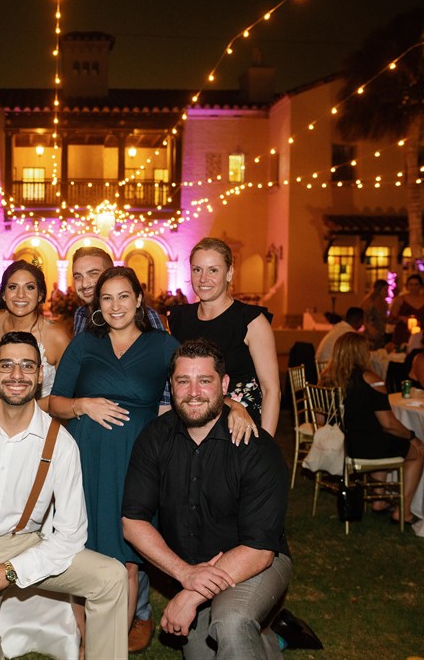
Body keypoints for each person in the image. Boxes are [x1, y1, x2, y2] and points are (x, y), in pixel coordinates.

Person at [0, 331, 129, 659]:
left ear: (41, 375)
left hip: (25, 544)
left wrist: (12, 569)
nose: (16, 375)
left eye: (27, 366)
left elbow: (71, 536)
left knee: (111, 576)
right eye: (7, 365)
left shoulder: (61, 443)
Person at [122, 338, 292, 659]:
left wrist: (189, 596)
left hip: (255, 562)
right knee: (205, 651)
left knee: (230, 621)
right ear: (170, 385)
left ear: (224, 384)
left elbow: (259, 552)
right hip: (190, 570)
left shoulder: (256, 448)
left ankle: (249, 621)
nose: (194, 392)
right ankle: (267, 636)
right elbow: (133, 522)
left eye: (205, 380)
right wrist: (186, 574)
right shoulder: (155, 438)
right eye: (183, 381)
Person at [50, 266, 178, 641]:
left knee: (127, 556)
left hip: (137, 460)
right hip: (85, 458)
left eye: (124, 296)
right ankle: (87, 641)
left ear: (139, 301)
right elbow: (56, 401)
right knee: (80, 551)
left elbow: (195, 383)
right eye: (107, 297)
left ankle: (112, 646)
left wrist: (233, 406)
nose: (115, 305)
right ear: (97, 304)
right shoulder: (85, 343)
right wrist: (82, 405)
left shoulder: (163, 345)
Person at [167, 237, 280, 435]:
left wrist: (266, 447)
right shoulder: (178, 319)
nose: (203, 279)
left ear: (229, 273)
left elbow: (271, 390)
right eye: (197, 269)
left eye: (213, 270)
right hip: (191, 426)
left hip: (239, 429)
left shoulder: (250, 321)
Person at [322, 332, 424, 525]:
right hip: (365, 446)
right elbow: (389, 424)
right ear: (362, 352)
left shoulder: (327, 378)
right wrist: (412, 437)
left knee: (384, 441)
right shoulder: (371, 379)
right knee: (417, 452)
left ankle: (379, 500)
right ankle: (403, 512)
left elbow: (321, 418)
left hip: (343, 445)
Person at [0, 260, 70, 413]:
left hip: (44, 420)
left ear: (40, 295)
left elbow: (67, 393)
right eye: (13, 287)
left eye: (29, 287)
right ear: (4, 294)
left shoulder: (56, 336)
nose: (20, 295)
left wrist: (23, 413)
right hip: (2, 416)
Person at [389, 274, 424, 346]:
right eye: (410, 284)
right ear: (407, 286)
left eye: (416, 284)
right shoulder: (400, 299)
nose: (413, 287)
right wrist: (401, 318)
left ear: (420, 286)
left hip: (421, 333)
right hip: (403, 333)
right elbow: (391, 318)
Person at [360, 279, 390, 350]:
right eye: (385, 289)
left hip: (381, 333)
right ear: (379, 289)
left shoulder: (384, 303)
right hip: (370, 334)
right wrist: (368, 327)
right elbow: (361, 315)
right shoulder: (368, 302)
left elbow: (383, 318)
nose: (387, 292)